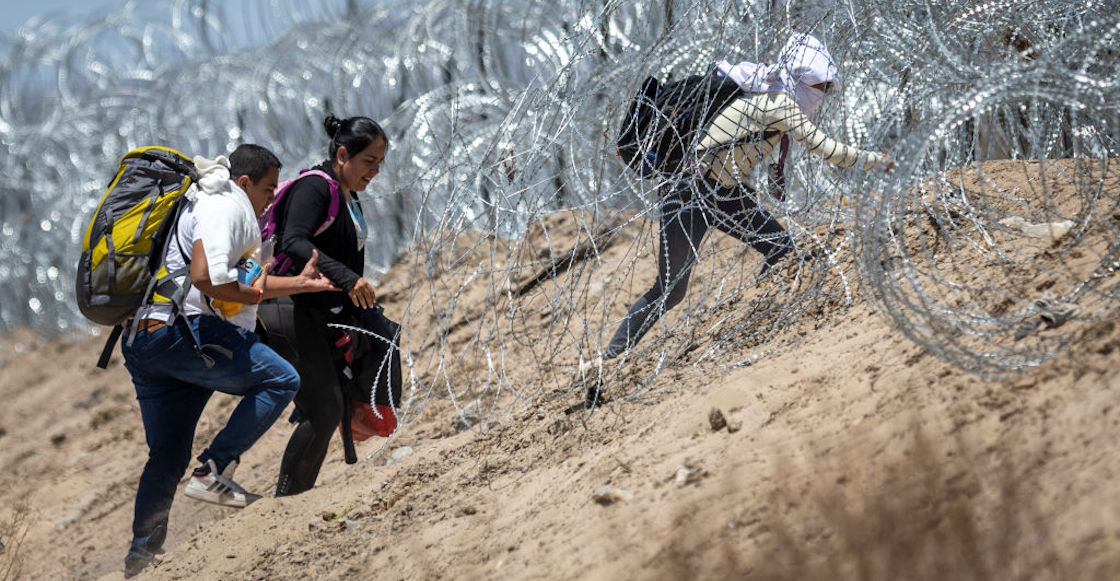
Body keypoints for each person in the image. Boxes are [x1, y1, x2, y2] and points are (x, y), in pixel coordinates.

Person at [587, 33, 894, 377]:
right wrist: (877, 161)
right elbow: (829, 150)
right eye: (820, 87)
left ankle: (757, 316)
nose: (824, 96)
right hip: (693, 192)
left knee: (780, 249)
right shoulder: (779, 105)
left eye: (827, 88)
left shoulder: (768, 99)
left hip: (717, 192)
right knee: (670, 291)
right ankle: (605, 364)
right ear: (798, 79)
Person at [121, 144, 336, 578]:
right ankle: (213, 470)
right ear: (245, 183)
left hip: (146, 339)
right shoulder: (226, 206)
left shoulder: (209, 207)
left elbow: (243, 285)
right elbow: (207, 277)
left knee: (166, 455)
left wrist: (298, 283)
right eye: (269, 189)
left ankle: (141, 558)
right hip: (184, 333)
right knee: (280, 379)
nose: (272, 199)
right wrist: (253, 291)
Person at [271, 115, 389, 497]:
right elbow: (293, 241)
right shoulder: (315, 188)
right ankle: (285, 502)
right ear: (342, 154)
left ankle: (295, 497)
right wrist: (347, 278)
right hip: (287, 310)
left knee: (330, 406)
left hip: (318, 315)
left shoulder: (347, 195)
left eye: (380, 163)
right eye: (369, 160)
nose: (376, 170)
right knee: (324, 407)